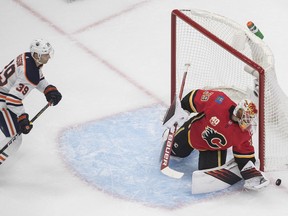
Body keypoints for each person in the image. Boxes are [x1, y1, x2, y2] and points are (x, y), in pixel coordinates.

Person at [163, 89, 269, 190]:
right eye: (247, 118)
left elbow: (244, 153)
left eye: (250, 119)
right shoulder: (219, 100)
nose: (248, 122)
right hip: (192, 134)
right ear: (238, 112)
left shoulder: (244, 133)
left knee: (207, 178)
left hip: (213, 149)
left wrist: (251, 174)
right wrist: (182, 110)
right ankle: (176, 135)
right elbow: (194, 97)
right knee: (174, 152)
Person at [0, 38, 62, 160]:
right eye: (45, 54)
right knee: (14, 140)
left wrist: (47, 89)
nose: (48, 56)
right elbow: (12, 100)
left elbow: (37, 76)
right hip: (2, 102)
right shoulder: (30, 73)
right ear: (36, 55)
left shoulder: (27, 57)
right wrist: (22, 118)